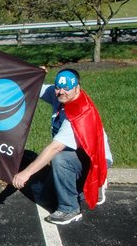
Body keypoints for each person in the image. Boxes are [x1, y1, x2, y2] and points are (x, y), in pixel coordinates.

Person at [12, 68, 112, 225]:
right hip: (76, 154)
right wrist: (34, 73)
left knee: (59, 159)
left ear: (77, 88)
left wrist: (25, 174)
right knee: (46, 197)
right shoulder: (58, 94)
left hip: (96, 160)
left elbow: (54, 148)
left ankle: (70, 209)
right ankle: (82, 188)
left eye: (67, 88)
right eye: (58, 87)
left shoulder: (78, 113)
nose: (61, 92)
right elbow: (33, 86)